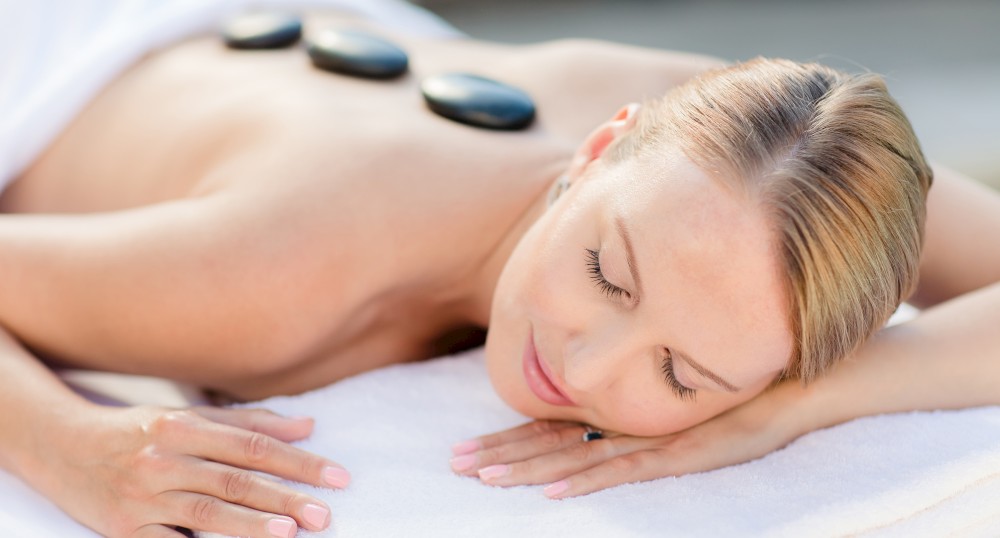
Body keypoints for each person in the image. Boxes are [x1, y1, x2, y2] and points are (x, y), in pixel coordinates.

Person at [1, 7, 999, 538]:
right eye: (609, 275)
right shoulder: (268, 278)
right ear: (598, 149)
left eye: (683, 375)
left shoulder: (779, 172)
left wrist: (793, 407)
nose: (590, 365)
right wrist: (65, 443)